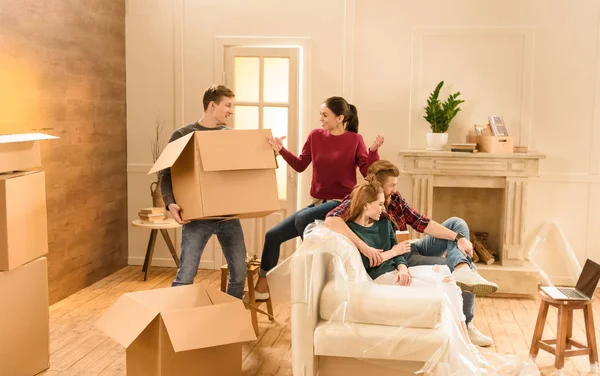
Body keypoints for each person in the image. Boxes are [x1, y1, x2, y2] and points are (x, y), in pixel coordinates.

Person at [325, 159, 497, 347]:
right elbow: (332, 219)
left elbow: (422, 223)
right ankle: (467, 321)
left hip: (409, 248)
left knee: (457, 225)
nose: (395, 189)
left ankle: (462, 267)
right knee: (449, 267)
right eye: (391, 185)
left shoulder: (396, 199)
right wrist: (364, 247)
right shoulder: (362, 200)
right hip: (401, 257)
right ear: (378, 185)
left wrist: (458, 238)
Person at [344, 179, 488, 366]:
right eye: (379, 204)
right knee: (443, 284)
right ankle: (465, 349)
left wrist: (402, 268)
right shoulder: (352, 231)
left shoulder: (385, 223)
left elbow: (400, 254)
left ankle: (466, 344)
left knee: (447, 276)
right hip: (381, 278)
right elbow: (367, 263)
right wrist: (394, 253)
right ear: (365, 205)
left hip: (398, 272)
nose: (383, 208)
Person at [254, 96, 385, 299]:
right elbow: (300, 165)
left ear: (340, 118)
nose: (321, 119)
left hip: (341, 203)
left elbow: (368, 172)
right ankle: (263, 285)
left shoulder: (354, 140)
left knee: (302, 219)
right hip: (318, 203)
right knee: (273, 235)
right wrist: (281, 150)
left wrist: (373, 152)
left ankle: (307, 276)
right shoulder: (315, 136)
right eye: (320, 115)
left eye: (325, 115)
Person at [160, 84, 246, 299]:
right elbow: (165, 172)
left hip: (228, 216)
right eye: (227, 105)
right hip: (197, 218)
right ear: (212, 105)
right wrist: (170, 202)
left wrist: (270, 151)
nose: (231, 110)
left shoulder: (230, 136)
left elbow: (243, 168)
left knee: (239, 273)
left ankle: (229, 317)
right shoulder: (183, 134)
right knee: (186, 276)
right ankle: (174, 322)